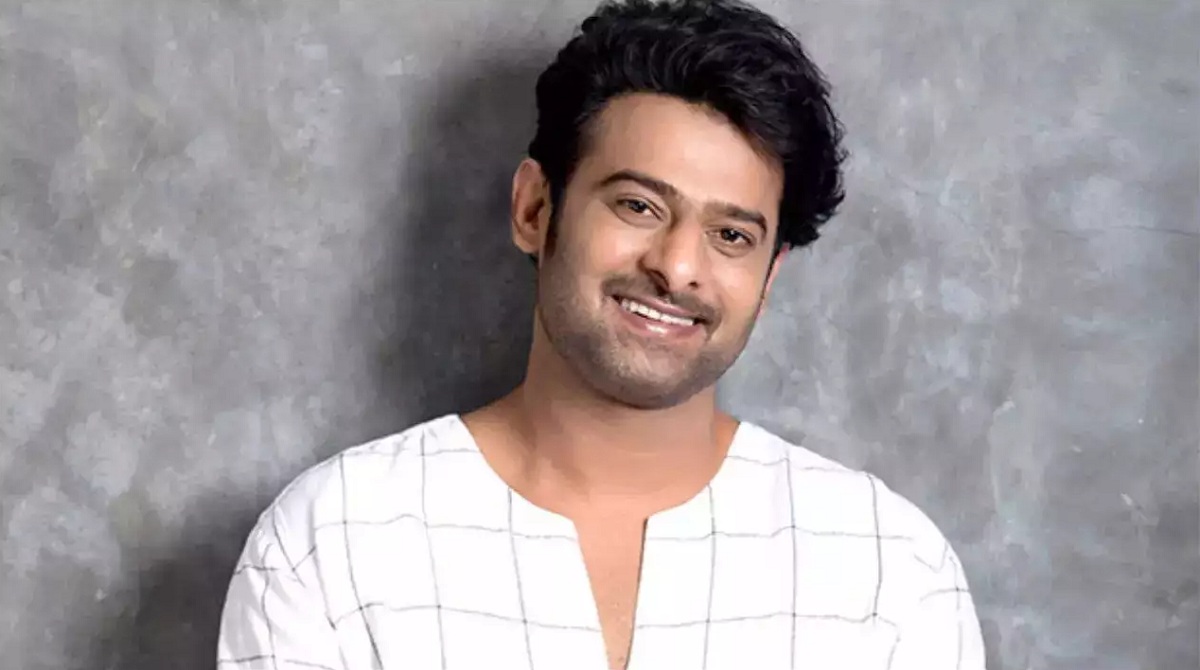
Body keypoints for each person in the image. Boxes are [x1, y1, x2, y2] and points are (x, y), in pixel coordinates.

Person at [216, 1, 986, 668]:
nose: (677, 268)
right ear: (535, 209)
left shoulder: (886, 571)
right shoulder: (334, 544)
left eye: (731, 236)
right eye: (638, 206)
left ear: (769, 274)